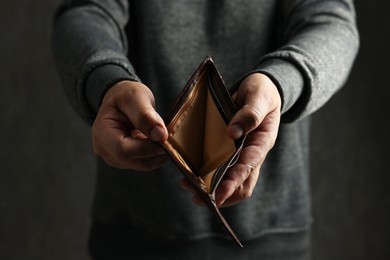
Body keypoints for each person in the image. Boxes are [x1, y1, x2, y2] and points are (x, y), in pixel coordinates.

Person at [52, 1, 359, 259]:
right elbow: (86, 12)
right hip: (133, 230)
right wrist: (107, 82)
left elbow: (332, 21)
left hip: (271, 232)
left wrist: (280, 83)